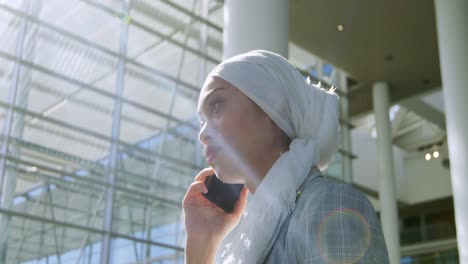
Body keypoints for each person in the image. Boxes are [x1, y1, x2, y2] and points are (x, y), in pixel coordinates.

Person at [183, 50, 389, 263]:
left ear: (270, 106)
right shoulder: (243, 238)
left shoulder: (329, 204)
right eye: (201, 121)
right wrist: (202, 243)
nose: (202, 134)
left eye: (216, 105)